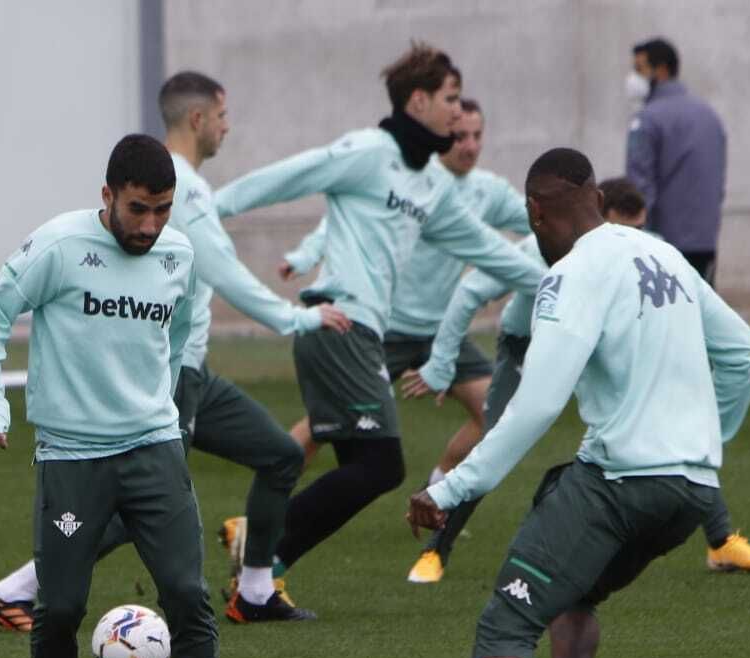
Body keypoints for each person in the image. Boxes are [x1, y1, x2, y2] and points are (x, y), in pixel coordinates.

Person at [406, 149, 750, 658]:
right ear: (598, 197)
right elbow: (745, 352)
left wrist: (450, 488)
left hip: (621, 484)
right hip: (690, 490)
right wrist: (704, 440)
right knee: (571, 582)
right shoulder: (662, 256)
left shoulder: (569, 274)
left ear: (537, 213)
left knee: (503, 629)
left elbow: (537, 404)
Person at [0, 72, 351, 633]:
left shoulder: (186, 190)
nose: (229, 127)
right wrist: (296, 318)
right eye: (224, 117)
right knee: (144, 505)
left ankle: (252, 590)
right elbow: (227, 275)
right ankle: (20, 588)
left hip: (189, 369)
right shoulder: (181, 193)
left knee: (279, 455)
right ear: (198, 120)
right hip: (168, 384)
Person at [208, 43, 544, 589]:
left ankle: (261, 576)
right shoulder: (368, 151)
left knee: (365, 465)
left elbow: (489, 249)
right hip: (337, 325)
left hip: (360, 334)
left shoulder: (431, 185)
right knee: (381, 466)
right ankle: (261, 549)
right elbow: (287, 177)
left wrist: (560, 283)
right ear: (418, 101)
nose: (458, 114)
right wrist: (206, 207)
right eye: (450, 100)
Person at [0, 134, 236, 658]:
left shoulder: (177, 253)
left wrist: (164, 410)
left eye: (162, 210)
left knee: (188, 594)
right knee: (59, 608)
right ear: (107, 196)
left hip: (153, 450)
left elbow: (171, 342)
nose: (150, 226)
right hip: (70, 456)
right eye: (138, 209)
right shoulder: (59, 246)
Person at [404, 176, 750, 574]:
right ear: (600, 212)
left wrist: (706, 430)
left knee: (675, 433)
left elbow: (743, 351)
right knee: (498, 431)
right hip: (525, 346)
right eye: (628, 226)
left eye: (640, 228)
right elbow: (468, 294)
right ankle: (436, 550)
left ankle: (720, 542)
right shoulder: (538, 249)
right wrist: (442, 363)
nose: (634, 236)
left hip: (597, 343)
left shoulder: (644, 253)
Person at [277, 97, 530, 584]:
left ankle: (437, 490)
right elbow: (339, 219)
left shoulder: (488, 192)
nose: (470, 146)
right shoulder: (412, 183)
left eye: (479, 136)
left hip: (443, 333)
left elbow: (539, 223)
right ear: (442, 137)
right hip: (386, 326)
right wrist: (305, 253)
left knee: (492, 413)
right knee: (324, 429)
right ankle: (266, 510)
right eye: (461, 136)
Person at [626, 37, 727, 284]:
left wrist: (635, 240)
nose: (633, 78)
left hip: (663, 245)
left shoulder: (647, 120)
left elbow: (640, 188)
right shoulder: (709, 115)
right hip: (705, 242)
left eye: (639, 69)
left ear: (660, 70)